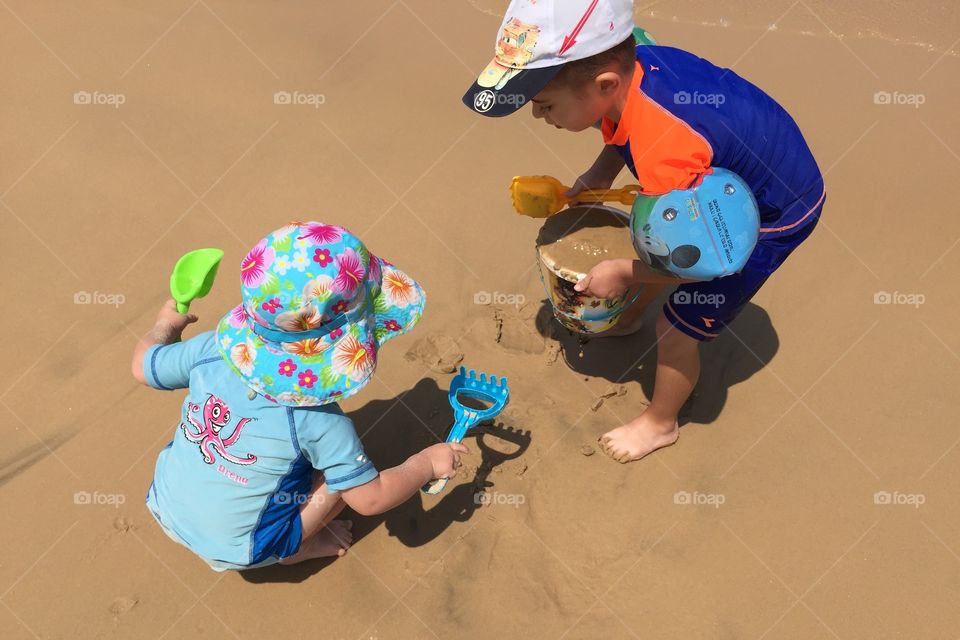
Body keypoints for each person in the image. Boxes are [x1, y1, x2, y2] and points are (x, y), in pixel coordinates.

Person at [462, 0, 824, 463]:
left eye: (544, 104)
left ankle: (660, 423)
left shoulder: (666, 149)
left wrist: (623, 272)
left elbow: (700, 261)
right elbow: (622, 126)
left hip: (771, 213)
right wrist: (600, 171)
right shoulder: (638, 60)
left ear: (603, 84)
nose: (538, 116)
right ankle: (629, 317)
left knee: (675, 326)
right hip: (727, 171)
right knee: (651, 228)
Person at [131, 222, 467, 570]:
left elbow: (142, 367)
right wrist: (425, 464)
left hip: (164, 504)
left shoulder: (209, 350)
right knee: (340, 480)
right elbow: (370, 499)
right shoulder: (322, 422)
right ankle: (292, 551)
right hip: (243, 551)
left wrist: (165, 325)